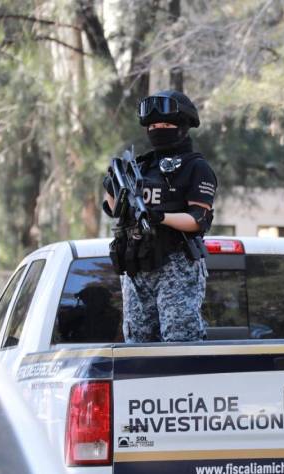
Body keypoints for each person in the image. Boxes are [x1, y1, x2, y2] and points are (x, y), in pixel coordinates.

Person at [103, 90, 218, 343]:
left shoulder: (195, 167)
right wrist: (111, 185)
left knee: (179, 339)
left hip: (176, 264)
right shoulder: (141, 166)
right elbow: (114, 210)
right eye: (153, 126)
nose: (157, 130)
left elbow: (198, 219)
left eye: (165, 125)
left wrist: (160, 217)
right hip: (137, 266)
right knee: (137, 342)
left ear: (182, 127)